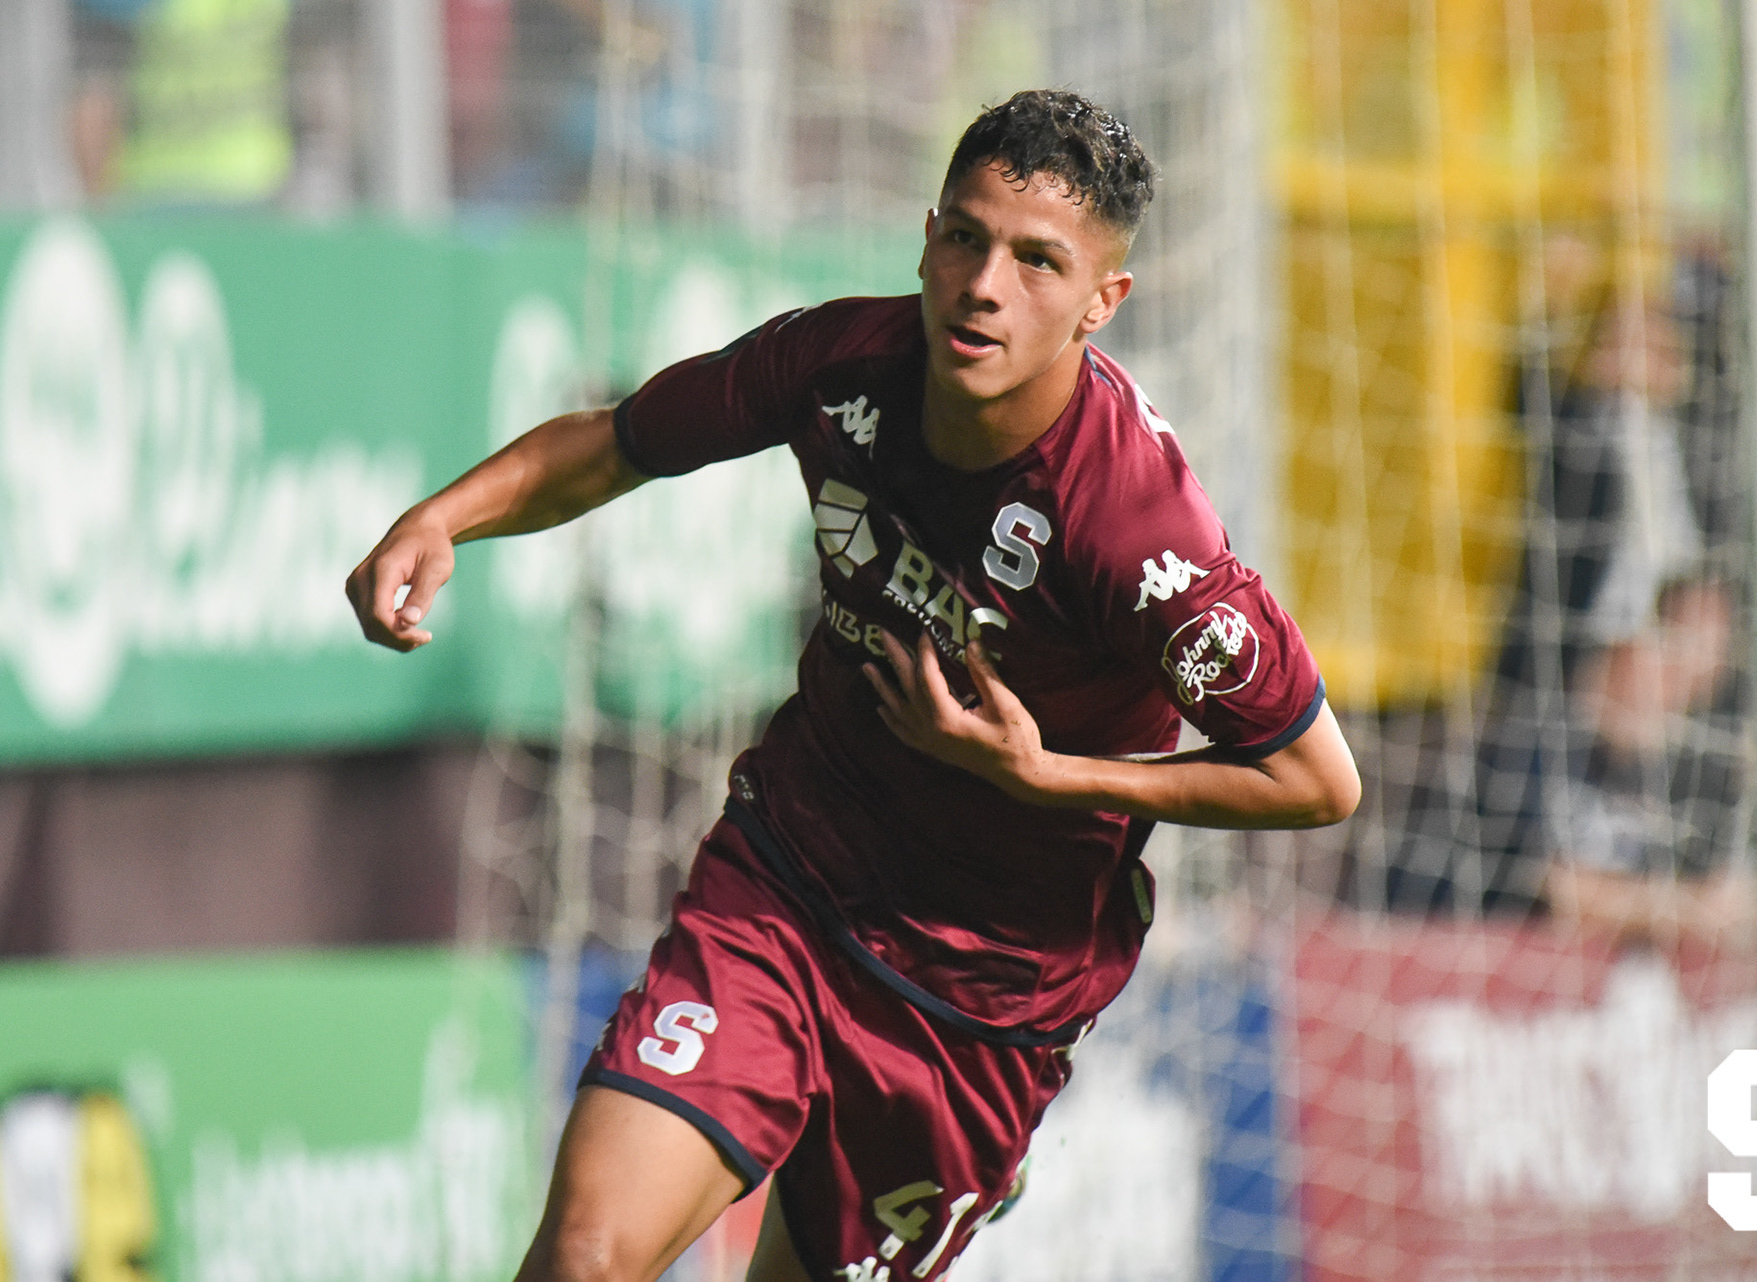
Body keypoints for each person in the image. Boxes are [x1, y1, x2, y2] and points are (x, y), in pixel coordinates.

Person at [347, 90, 1359, 1282]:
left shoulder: (1139, 527)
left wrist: (1042, 774)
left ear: (1103, 301)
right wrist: (444, 518)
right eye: (967, 238)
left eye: (1038, 262)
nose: (985, 287)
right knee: (584, 1255)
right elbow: (620, 442)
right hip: (787, 886)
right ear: (928, 239)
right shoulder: (839, 365)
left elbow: (1315, 779)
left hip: (984, 1002)